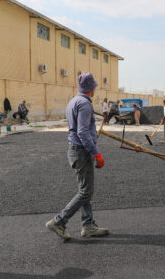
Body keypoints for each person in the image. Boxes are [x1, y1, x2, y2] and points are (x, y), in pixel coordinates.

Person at [46, 73, 109, 240]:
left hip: (74, 150)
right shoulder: (85, 104)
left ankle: (88, 225)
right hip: (81, 151)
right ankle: (58, 221)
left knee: (84, 190)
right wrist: (97, 153)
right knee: (85, 192)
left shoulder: (73, 102)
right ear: (91, 88)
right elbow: (82, 131)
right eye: (94, 86)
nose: (95, 88)